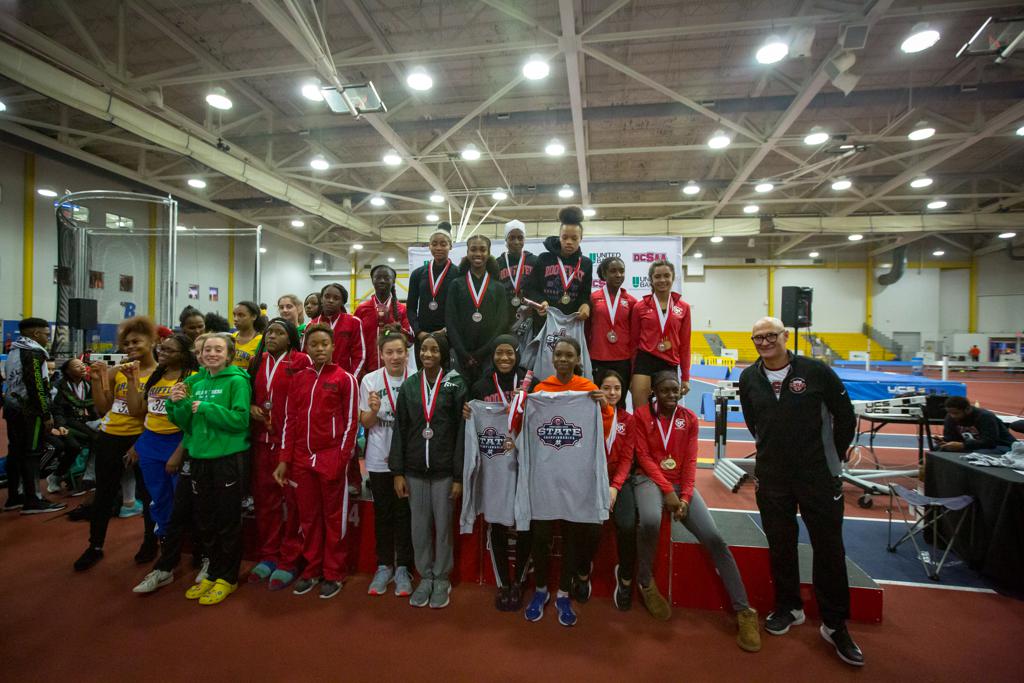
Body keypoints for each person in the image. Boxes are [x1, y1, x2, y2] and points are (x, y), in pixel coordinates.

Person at [738, 317, 861, 667]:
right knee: (780, 544)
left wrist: (832, 456)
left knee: (829, 548)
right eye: (758, 337)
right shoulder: (749, 378)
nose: (765, 342)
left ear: (785, 336)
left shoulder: (816, 372)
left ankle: (835, 623)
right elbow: (753, 422)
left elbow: (845, 416)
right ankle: (789, 607)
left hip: (817, 476)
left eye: (770, 336)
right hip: (773, 476)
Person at [628, 372, 760, 651]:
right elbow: (645, 458)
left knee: (714, 537)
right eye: (665, 391)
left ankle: (744, 610)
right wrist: (668, 492)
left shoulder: (688, 419)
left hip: (680, 485)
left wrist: (685, 497)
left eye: (675, 391)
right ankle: (645, 582)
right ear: (654, 392)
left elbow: (690, 462)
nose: (671, 395)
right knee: (650, 519)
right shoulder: (641, 416)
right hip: (648, 480)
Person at [517, 337, 612, 627]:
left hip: (576, 479)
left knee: (573, 539)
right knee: (541, 536)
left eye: (568, 355)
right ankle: (542, 589)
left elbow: (604, 431)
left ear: (577, 359)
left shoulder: (588, 390)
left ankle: (564, 593)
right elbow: (524, 428)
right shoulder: (540, 390)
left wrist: (604, 407)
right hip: (545, 479)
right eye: (558, 354)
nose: (561, 359)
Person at [274, 324, 360, 600]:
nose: (320, 348)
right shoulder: (298, 379)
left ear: (334, 346)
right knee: (308, 519)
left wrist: (341, 460)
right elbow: (290, 420)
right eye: (314, 344)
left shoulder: (345, 379)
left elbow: (351, 424)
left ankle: (334, 572)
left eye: (325, 343)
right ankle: (311, 569)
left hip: (330, 458)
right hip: (301, 460)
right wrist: (284, 459)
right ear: (306, 348)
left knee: (334, 519)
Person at [167, 333, 252, 605]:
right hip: (199, 458)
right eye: (206, 350)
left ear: (228, 354)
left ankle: (228, 577)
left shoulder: (237, 381)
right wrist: (176, 403)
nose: (212, 353)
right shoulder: (193, 382)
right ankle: (212, 573)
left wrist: (207, 408)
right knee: (205, 520)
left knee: (228, 520)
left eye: (218, 349)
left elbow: (240, 420)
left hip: (228, 459)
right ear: (199, 354)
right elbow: (185, 423)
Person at [389, 332, 467, 609]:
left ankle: (442, 578)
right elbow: (400, 429)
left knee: (443, 527)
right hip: (414, 471)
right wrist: (397, 471)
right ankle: (425, 576)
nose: (428, 354)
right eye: (424, 350)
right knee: (419, 527)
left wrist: (459, 476)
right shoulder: (410, 386)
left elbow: (462, 433)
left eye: (434, 350)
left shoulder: (456, 384)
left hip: (444, 471)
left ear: (443, 354)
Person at [74, 317, 159, 570]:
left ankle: (150, 541)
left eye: (137, 341)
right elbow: (102, 410)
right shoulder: (116, 372)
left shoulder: (158, 374)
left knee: (148, 494)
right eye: (127, 343)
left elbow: (151, 415)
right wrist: (99, 380)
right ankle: (95, 545)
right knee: (104, 493)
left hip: (143, 438)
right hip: (111, 437)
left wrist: (140, 445)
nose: (131, 346)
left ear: (152, 342)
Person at [462, 335, 536, 611]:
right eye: (499, 354)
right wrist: (469, 412)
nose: (504, 358)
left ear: (517, 354)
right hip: (495, 464)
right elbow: (472, 420)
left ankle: (519, 581)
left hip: (525, 464)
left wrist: (528, 403)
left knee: (526, 521)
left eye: (509, 353)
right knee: (498, 523)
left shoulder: (531, 382)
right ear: (492, 355)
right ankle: (504, 581)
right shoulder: (481, 385)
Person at [246, 318, 310, 589]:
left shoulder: (301, 361)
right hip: (263, 442)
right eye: (269, 332)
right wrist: (250, 408)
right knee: (266, 502)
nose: (271, 336)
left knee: (293, 505)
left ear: (291, 337)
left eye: (279, 332)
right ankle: (269, 555)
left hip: (292, 445)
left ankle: (290, 559)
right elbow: (247, 396)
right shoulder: (256, 362)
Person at [126, 334, 198, 559]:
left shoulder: (193, 378)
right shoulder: (157, 377)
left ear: (184, 355)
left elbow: (193, 423)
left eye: (169, 351)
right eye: (161, 349)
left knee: (183, 498)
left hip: (177, 443)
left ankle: (193, 545)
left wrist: (178, 454)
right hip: (150, 443)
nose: (162, 354)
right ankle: (167, 541)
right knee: (159, 497)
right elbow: (137, 410)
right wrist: (130, 380)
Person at [359, 325, 415, 597]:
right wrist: (371, 411)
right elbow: (366, 423)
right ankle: (384, 565)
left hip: (407, 459)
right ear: (381, 354)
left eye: (400, 352)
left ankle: (403, 567)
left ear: (407, 354)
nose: (395, 357)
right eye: (389, 352)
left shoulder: (415, 378)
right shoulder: (370, 380)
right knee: (383, 514)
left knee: (405, 514)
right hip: (378, 457)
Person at [2, 317, 65, 513]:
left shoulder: (14, 350)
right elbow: (37, 385)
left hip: (12, 409)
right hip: (30, 412)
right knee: (32, 453)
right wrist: (45, 413)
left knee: (16, 452)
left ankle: (15, 496)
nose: (48, 338)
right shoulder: (34, 352)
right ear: (36, 334)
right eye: (47, 334)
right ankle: (33, 499)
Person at [445, 234, 513, 387]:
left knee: (485, 394)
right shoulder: (456, 284)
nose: (478, 254)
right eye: (473, 249)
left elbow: (502, 322)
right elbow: (451, 321)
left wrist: (482, 353)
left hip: (488, 354)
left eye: (482, 250)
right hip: (461, 353)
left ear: (488, 253)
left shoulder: (498, 287)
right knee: (461, 397)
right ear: (467, 252)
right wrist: (462, 352)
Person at [629, 260, 691, 408]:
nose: (662, 280)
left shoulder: (683, 308)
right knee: (641, 412)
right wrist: (631, 375)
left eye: (666, 276)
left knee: (666, 413)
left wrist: (686, 378)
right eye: (657, 276)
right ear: (651, 279)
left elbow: (685, 345)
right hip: (645, 361)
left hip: (669, 363)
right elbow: (633, 343)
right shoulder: (640, 307)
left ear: (673, 278)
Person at [523, 207, 593, 332]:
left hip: (572, 324)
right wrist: (541, 301)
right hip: (545, 322)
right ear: (559, 237)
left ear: (581, 238)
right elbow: (531, 288)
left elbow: (585, 294)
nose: (569, 242)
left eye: (574, 238)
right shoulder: (544, 259)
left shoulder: (586, 263)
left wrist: (585, 305)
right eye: (565, 237)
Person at [47, 357, 99, 495]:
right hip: (64, 422)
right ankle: (56, 476)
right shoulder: (59, 386)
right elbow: (56, 409)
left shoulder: (87, 384)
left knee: (100, 437)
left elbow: (91, 406)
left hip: (80, 421)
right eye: (77, 366)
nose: (82, 367)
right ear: (68, 371)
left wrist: (98, 420)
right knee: (74, 447)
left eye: (82, 365)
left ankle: (88, 475)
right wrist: (60, 425)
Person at [587, 256, 636, 394]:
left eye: (621, 271)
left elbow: (634, 337)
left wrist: (633, 366)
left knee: (619, 402)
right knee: (599, 401)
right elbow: (586, 330)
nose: (618, 275)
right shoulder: (592, 299)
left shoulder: (632, 302)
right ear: (604, 274)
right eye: (613, 271)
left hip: (623, 360)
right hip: (598, 359)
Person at [354, 264, 413, 377]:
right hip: (367, 372)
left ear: (393, 281)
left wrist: (389, 320)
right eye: (378, 277)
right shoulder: (361, 310)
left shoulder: (402, 309)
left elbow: (410, 341)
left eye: (386, 278)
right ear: (372, 280)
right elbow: (355, 344)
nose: (382, 281)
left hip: (396, 371)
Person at [407, 223, 456, 354]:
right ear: (429, 246)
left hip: (448, 337)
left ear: (450, 246)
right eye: (434, 244)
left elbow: (461, 309)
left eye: (443, 244)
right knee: (424, 373)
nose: (438, 248)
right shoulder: (417, 274)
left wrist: (446, 331)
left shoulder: (458, 274)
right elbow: (411, 307)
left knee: (446, 374)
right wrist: (418, 332)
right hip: (423, 336)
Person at [304, 282, 365, 377]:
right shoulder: (311, 325)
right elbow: (305, 355)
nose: (330, 300)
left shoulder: (354, 322)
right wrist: (312, 378)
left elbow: (359, 355)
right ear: (321, 299)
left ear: (342, 302)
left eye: (336, 298)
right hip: (317, 377)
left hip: (343, 378)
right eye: (327, 297)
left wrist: (351, 378)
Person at [938, 395, 1015, 454]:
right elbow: (951, 438)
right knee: (938, 449)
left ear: (967, 409)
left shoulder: (985, 416)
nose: (952, 416)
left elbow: (990, 442)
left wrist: (963, 445)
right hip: (975, 446)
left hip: (1002, 446)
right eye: (950, 413)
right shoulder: (950, 417)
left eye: (956, 413)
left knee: (976, 455)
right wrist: (945, 441)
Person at [497, 219, 537, 324]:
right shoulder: (498, 263)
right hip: (505, 313)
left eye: (520, 238)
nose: (516, 242)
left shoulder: (534, 261)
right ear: (506, 239)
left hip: (530, 313)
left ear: (524, 239)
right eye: (512, 238)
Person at [231, 301, 264, 370]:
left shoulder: (261, 341)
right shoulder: (230, 338)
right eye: (234, 315)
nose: (235, 319)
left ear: (254, 316)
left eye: (241, 315)